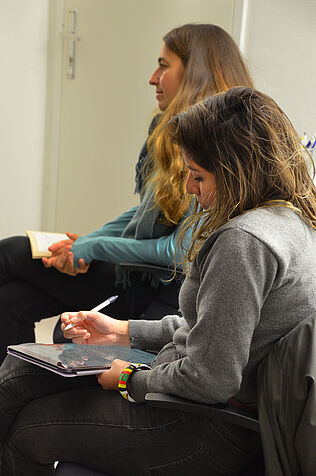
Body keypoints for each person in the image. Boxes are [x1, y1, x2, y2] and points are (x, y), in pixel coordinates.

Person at [1, 86, 316, 475]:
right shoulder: (292, 221)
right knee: (24, 373)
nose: (187, 187)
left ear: (238, 171)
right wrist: (121, 331)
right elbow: (214, 330)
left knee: (25, 427)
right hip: (210, 411)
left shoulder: (244, 242)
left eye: (197, 175)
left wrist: (129, 379)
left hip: (200, 427)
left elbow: (210, 377)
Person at [0, 24, 254, 363]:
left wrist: (93, 246)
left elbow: (179, 251)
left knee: (11, 252)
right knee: (12, 300)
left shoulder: (218, 144)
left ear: (195, 73)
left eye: (163, 65)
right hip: (139, 275)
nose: (152, 77)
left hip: (164, 286)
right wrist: (85, 242)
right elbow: (144, 212)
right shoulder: (164, 130)